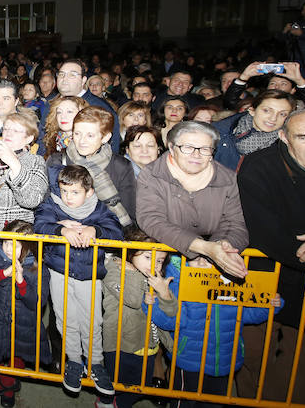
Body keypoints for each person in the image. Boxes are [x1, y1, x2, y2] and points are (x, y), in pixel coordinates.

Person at [235, 108, 305, 403]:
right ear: (283, 137)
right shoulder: (259, 167)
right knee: (253, 359)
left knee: (303, 372)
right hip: (266, 280)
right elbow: (265, 234)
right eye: (304, 137)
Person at [149, 256, 282, 408]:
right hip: (190, 361)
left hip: (224, 361)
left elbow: (249, 314)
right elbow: (171, 321)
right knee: (184, 402)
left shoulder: (234, 286)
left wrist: (270, 305)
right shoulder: (179, 285)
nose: (201, 262)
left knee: (215, 403)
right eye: (194, 257)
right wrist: (153, 306)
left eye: (209, 259)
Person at [34, 165, 121, 396]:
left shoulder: (99, 209)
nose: (68, 198)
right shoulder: (53, 205)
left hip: (89, 275)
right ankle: (73, 360)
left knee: (92, 320)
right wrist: (60, 230)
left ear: (89, 192)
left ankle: (96, 363)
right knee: (64, 318)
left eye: (75, 192)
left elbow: (117, 231)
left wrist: (96, 231)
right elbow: (39, 225)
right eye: (64, 191)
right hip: (59, 272)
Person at [136, 121, 249, 278]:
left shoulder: (228, 179)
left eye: (204, 149)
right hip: (166, 257)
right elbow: (152, 220)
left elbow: (235, 223)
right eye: (187, 147)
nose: (196, 155)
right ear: (171, 147)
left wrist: (223, 248)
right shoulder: (152, 175)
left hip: (213, 259)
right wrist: (202, 248)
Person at [98, 228, 174, 408]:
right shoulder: (114, 269)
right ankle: (106, 402)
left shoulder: (158, 279)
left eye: (160, 260)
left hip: (148, 345)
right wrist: (136, 277)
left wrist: (164, 294)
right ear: (131, 252)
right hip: (119, 343)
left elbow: (171, 313)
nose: (154, 264)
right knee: (112, 383)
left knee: (141, 385)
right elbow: (132, 300)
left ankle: (120, 404)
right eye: (148, 257)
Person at [0, 220, 52, 408]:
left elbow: (37, 302)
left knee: (16, 359)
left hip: (24, 325)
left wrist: (21, 281)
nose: (8, 249)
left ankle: (7, 388)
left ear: (28, 248)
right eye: (6, 243)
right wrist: (1, 275)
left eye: (16, 246)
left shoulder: (38, 268)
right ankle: (9, 383)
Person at [46, 106, 136, 227]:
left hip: (104, 239)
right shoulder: (56, 161)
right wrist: (58, 225)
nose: (82, 141)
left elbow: (129, 214)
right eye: (77, 134)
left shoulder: (120, 166)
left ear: (105, 137)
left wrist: (96, 230)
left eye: (90, 136)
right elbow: (45, 206)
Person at [213, 89, 295, 171]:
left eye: (282, 114)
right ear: (252, 110)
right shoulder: (218, 132)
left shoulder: (287, 147)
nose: (273, 118)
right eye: (266, 110)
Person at [54, 59, 121, 152]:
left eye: (72, 75)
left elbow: (113, 146)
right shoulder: (51, 103)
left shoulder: (99, 107)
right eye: (61, 74)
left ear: (83, 80)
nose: (65, 79)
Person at [283, 0, 305, 77]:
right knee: (300, 82)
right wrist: (285, 32)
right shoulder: (298, 23)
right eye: (304, 9)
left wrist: (302, 34)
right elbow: (286, 41)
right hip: (298, 59)